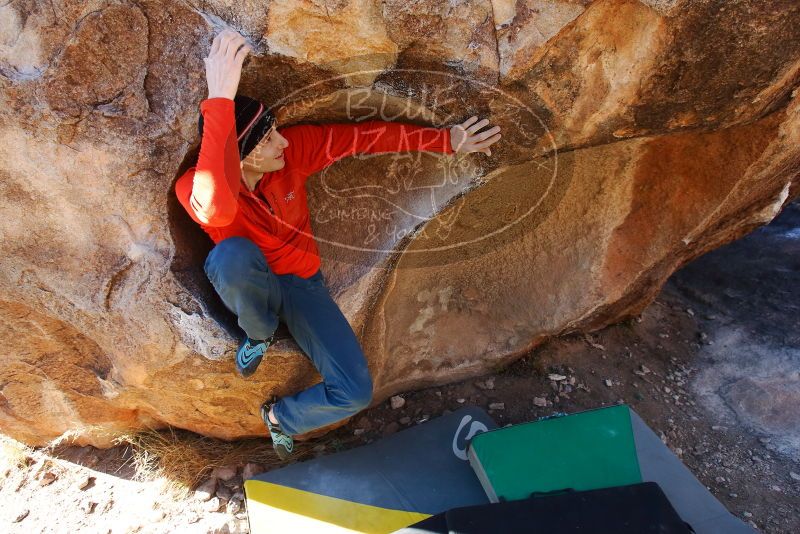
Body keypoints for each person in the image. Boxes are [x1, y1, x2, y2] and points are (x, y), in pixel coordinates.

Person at [175, 29, 502, 459]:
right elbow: (216, 209)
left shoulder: (293, 156)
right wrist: (218, 96)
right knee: (231, 255)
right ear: (244, 155)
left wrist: (446, 141)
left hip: (302, 284)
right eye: (269, 138)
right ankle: (258, 334)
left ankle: (280, 418)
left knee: (354, 391)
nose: (284, 141)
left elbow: (362, 138)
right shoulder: (194, 187)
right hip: (250, 284)